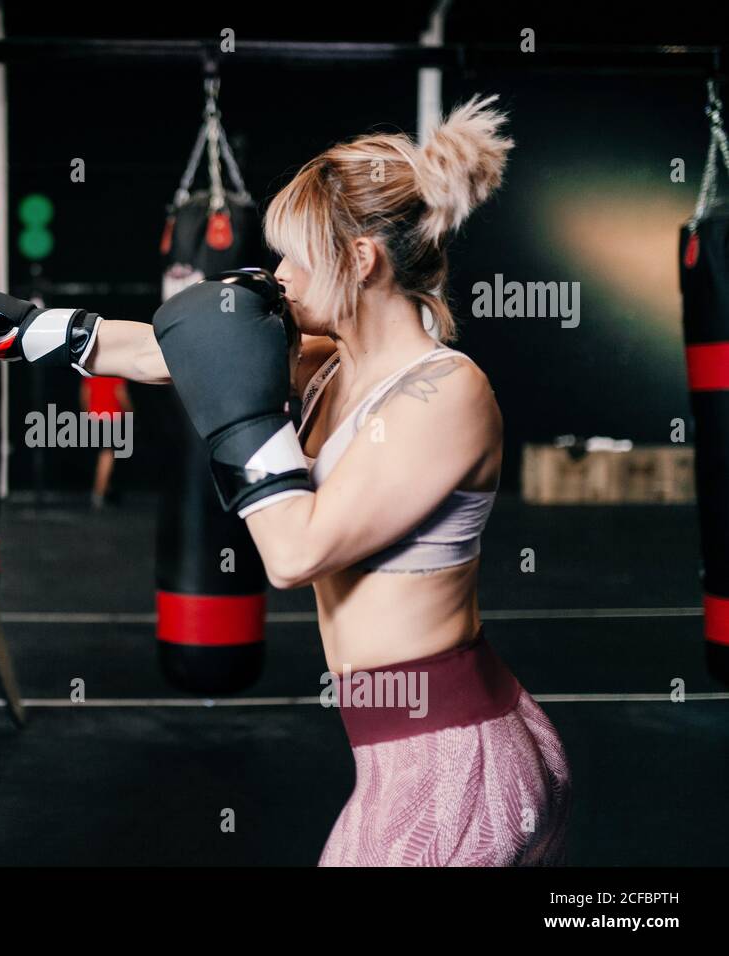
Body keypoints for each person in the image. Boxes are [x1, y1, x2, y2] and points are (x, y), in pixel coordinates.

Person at [153, 96, 570, 865]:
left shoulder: (446, 392)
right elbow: (172, 354)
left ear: (360, 261)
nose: (280, 276)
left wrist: (240, 418)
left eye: (296, 258)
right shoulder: (332, 365)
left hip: (454, 762)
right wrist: (18, 332)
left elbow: (294, 553)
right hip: (401, 757)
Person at [81, 375, 132, 509]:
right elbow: (120, 392)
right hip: (112, 417)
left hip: (95, 417)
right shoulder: (115, 373)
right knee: (107, 456)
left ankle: (104, 490)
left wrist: (88, 414)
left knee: (102, 456)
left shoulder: (92, 372)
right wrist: (130, 411)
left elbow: (85, 393)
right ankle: (98, 494)